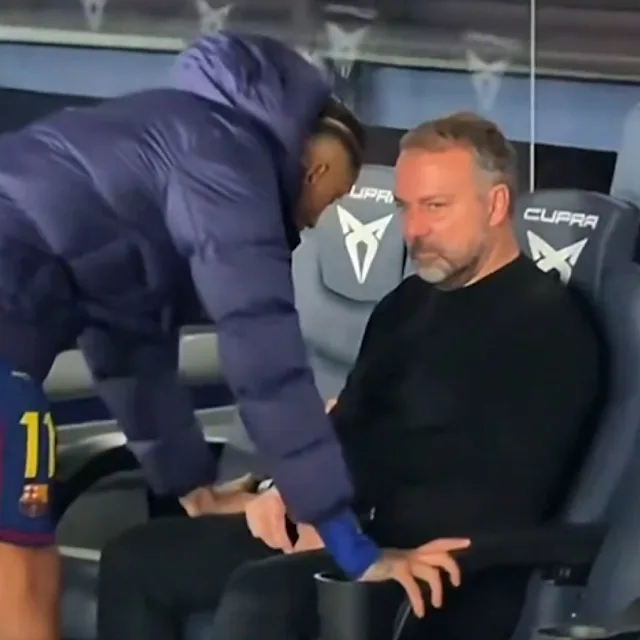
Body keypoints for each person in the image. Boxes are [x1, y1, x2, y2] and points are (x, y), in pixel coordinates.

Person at [0, 31, 449, 640]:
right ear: (314, 167)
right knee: (22, 568)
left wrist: (196, 492)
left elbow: (130, 350)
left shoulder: (176, 132)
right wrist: (352, 549)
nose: (322, 216)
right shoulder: (227, 163)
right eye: (335, 195)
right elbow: (267, 363)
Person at [97, 112, 603, 640]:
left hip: (439, 567)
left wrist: (351, 522)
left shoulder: (546, 327)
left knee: (261, 594)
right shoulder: (407, 304)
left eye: (436, 207)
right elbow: (349, 422)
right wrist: (288, 492)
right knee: (137, 559)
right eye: (406, 207)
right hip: (349, 532)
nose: (414, 231)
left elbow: (500, 497)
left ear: (495, 205)